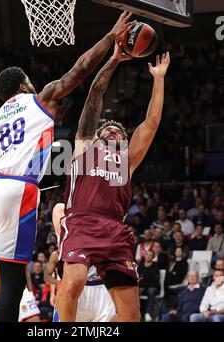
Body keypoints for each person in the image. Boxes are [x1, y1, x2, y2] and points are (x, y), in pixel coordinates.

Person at [0, 11, 134, 322]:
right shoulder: (39, 98)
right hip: (16, 188)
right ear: (23, 85)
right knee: (14, 278)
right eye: (29, 81)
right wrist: (109, 37)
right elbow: (79, 71)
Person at [56, 47, 170, 322]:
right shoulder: (83, 147)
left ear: (123, 140)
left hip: (115, 229)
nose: (113, 130)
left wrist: (159, 78)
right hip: (82, 221)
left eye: (119, 131)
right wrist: (115, 59)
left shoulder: (127, 160)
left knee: (131, 316)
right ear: (95, 135)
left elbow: (151, 123)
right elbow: (95, 94)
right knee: (73, 282)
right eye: (107, 128)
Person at [48, 203, 116, 322]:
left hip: (102, 288)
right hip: (74, 287)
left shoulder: (106, 214)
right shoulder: (62, 212)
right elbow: (60, 210)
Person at [138, 250, 160, 322]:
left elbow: (155, 283)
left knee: (151, 290)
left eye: (150, 255)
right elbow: (138, 279)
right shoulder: (140, 265)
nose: (148, 256)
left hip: (152, 289)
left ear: (153, 257)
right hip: (141, 288)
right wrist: (139, 287)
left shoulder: (155, 267)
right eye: (147, 254)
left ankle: (148, 313)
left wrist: (143, 287)